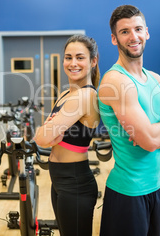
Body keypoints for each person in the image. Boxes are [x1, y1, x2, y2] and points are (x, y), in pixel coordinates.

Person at [97, 5, 160, 236]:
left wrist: (155, 133)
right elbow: (150, 141)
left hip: (154, 188)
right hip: (128, 193)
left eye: (137, 29)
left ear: (147, 32)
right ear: (114, 39)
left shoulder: (155, 79)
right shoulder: (116, 81)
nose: (133, 36)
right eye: (124, 32)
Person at [34, 34, 100, 236]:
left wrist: (50, 132)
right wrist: (48, 132)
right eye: (68, 57)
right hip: (59, 179)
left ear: (93, 61)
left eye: (80, 57)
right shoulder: (66, 94)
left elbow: (43, 138)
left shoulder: (85, 95)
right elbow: (41, 134)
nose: (73, 63)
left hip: (75, 182)